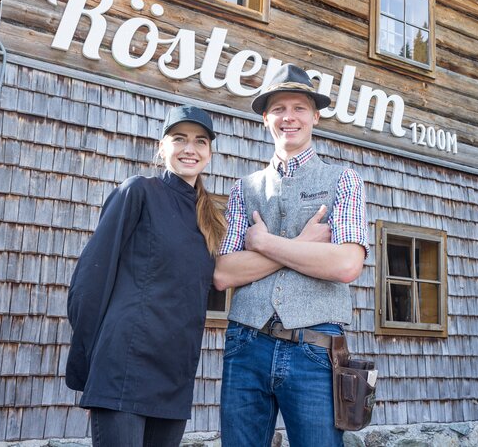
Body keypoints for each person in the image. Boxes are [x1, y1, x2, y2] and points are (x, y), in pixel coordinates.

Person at [214, 64, 369, 447]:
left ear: (315, 116)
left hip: (315, 348)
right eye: (279, 108)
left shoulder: (343, 179)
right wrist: (304, 243)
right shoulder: (244, 188)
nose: (289, 117)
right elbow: (223, 274)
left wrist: (265, 244)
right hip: (246, 343)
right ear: (266, 118)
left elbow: (346, 265)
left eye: (299, 107)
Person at [66, 105, 226, 447]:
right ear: (162, 146)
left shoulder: (210, 219)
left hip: (175, 377)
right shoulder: (138, 191)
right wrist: (88, 374)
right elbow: (90, 282)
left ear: (209, 153)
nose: (189, 148)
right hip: (125, 366)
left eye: (200, 141)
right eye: (179, 138)